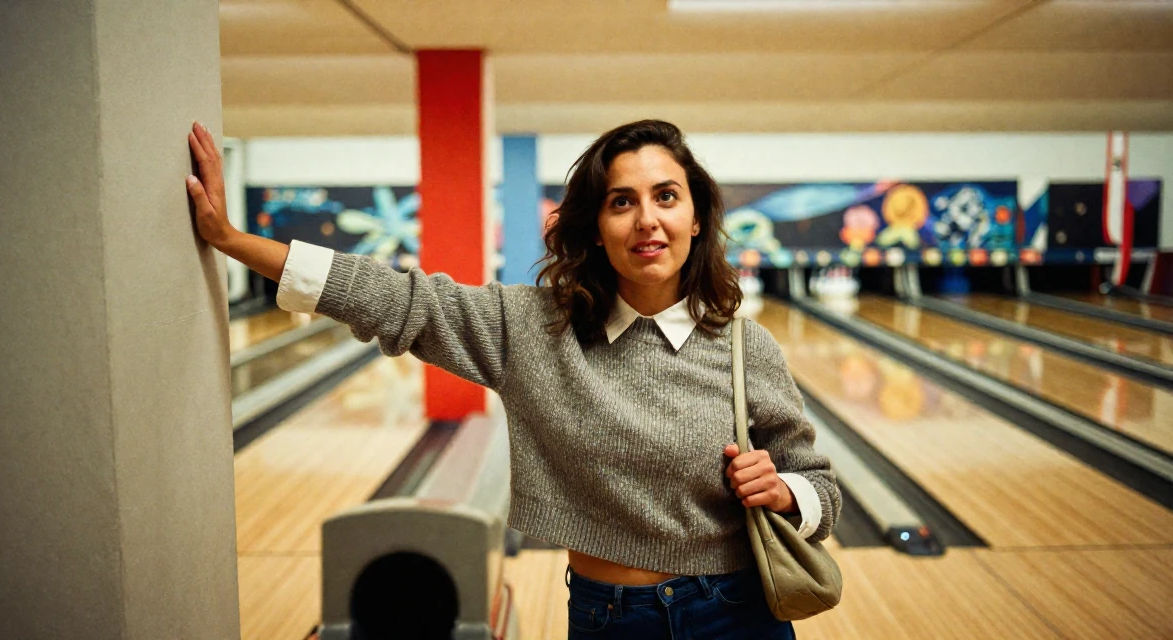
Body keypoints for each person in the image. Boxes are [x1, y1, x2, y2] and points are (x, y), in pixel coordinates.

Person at [186, 119, 839, 639]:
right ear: (596, 226)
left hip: (734, 612)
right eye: (622, 202)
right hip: (609, 618)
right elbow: (392, 298)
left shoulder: (744, 349)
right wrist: (231, 240)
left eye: (666, 196)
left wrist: (783, 491)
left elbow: (821, 490)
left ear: (696, 219)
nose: (647, 220)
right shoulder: (531, 330)